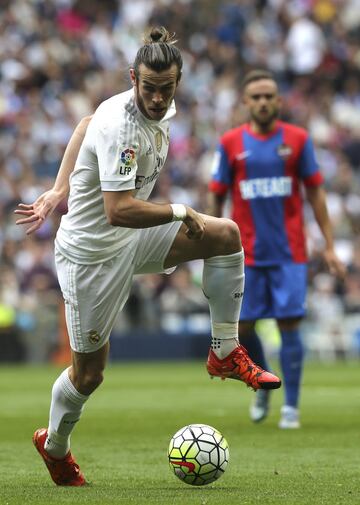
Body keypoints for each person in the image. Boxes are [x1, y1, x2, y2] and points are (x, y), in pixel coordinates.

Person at [15, 30, 281, 487]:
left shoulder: (152, 103)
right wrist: (181, 210)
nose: (158, 98)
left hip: (132, 238)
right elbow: (117, 210)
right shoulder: (121, 123)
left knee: (225, 234)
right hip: (93, 256)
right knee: (89, 375)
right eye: (150, 88)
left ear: (177, 82)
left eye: (167, 88)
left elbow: (82, 125)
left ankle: (224, 350)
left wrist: (59, 189)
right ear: (133, 78)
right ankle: (55, 446)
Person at [208, 69, 346, 429]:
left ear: (279, 101)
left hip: (289, 253)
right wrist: (210, 243)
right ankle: (264, 379)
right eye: (256, 97)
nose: (263, 102)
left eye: (269, 96)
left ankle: (292, 408)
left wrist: (329, 245)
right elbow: (217, 195)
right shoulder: (230, 144)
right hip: (245, 254)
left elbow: (315, 191)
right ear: (246, 102)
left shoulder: (298, 140)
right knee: (244, 324)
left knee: (289, 324)